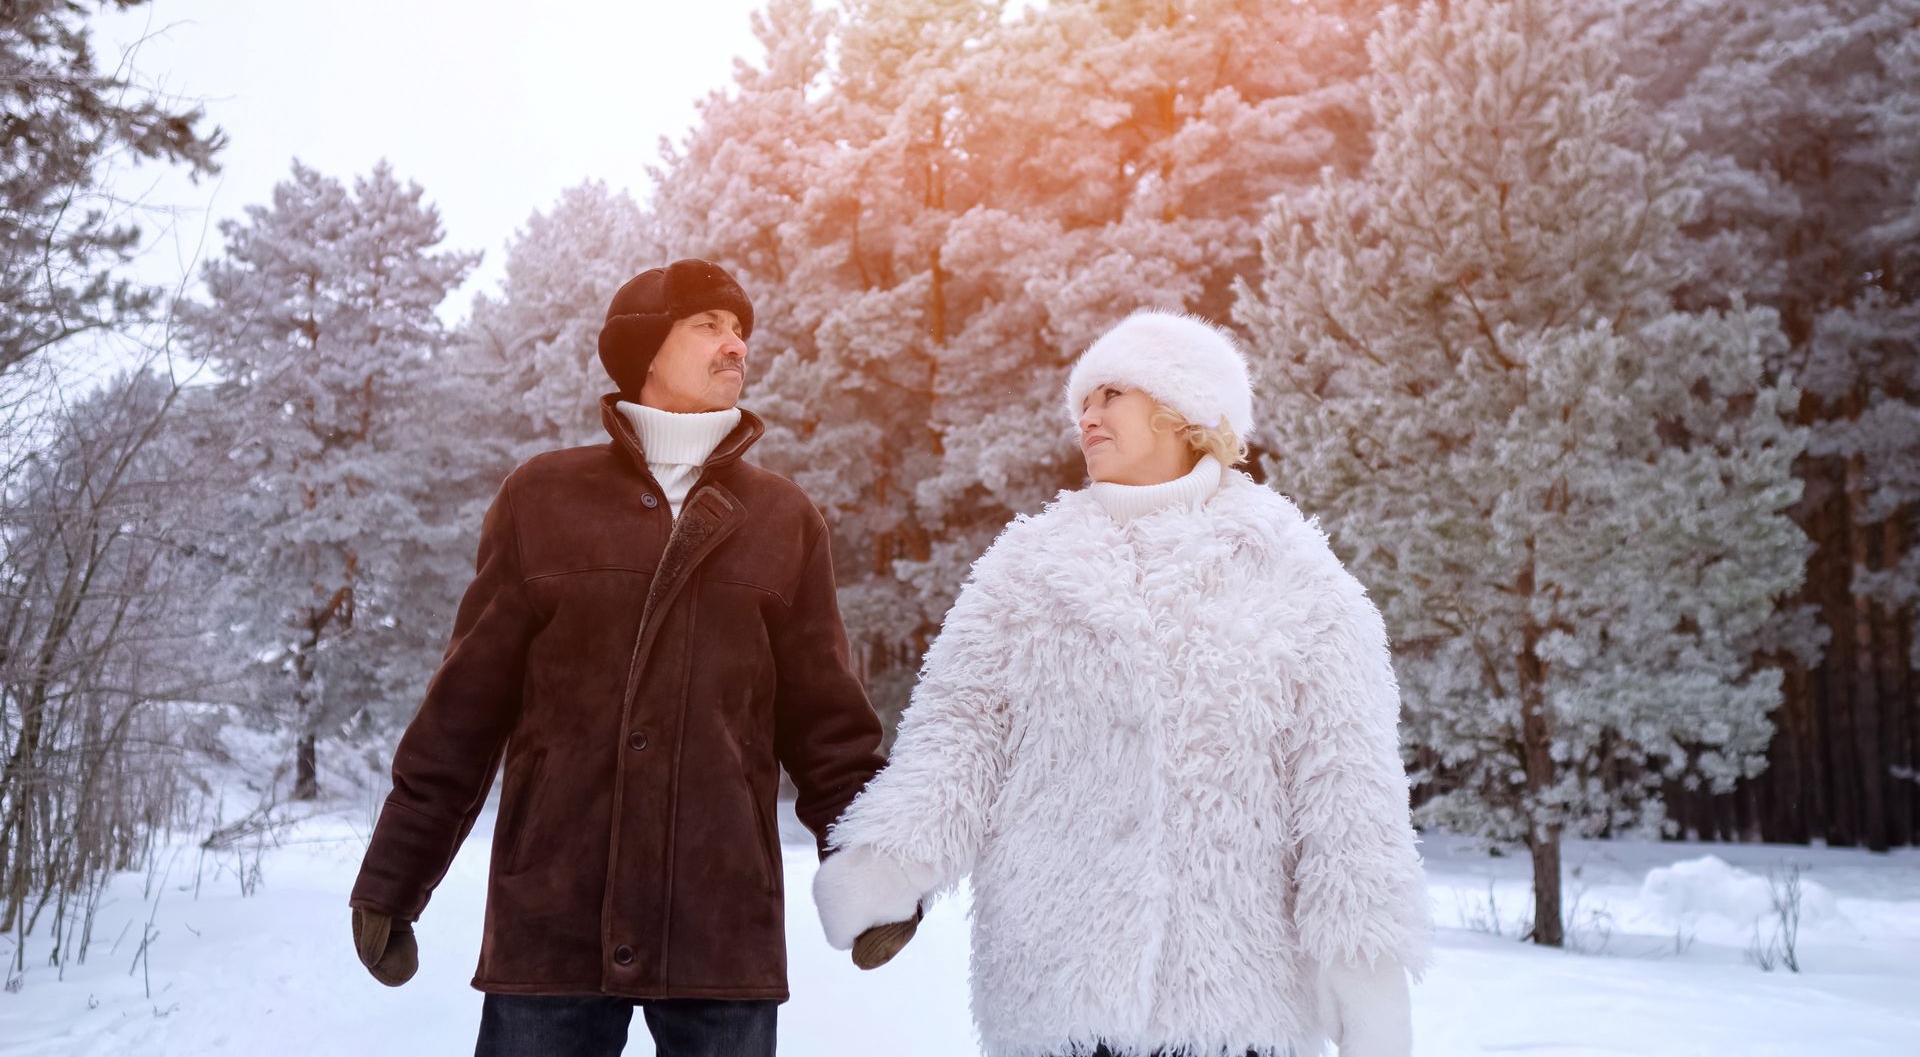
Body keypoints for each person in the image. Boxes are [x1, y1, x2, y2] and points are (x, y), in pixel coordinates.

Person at [812, 308, 1433, 1057]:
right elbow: (958, 740)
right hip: (1055, 994)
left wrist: (1363, 968)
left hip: (1235, 1005)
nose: (1087, 415)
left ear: (1185, 411)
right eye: (1083, 400)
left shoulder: (1297, 576)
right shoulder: (1027, 565)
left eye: (1112, 394)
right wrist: (887, 865)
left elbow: (1349, 792)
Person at [348, 257, 887, 1057]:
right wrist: (397, 873)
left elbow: (828, 726)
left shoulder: (784, 519)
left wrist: (875, 874)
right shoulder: (543, 497)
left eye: (740, 331)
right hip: (555, 905)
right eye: (707, 325)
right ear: (643, 348)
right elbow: (466, 707)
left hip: (719, 908)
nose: (735, 345)